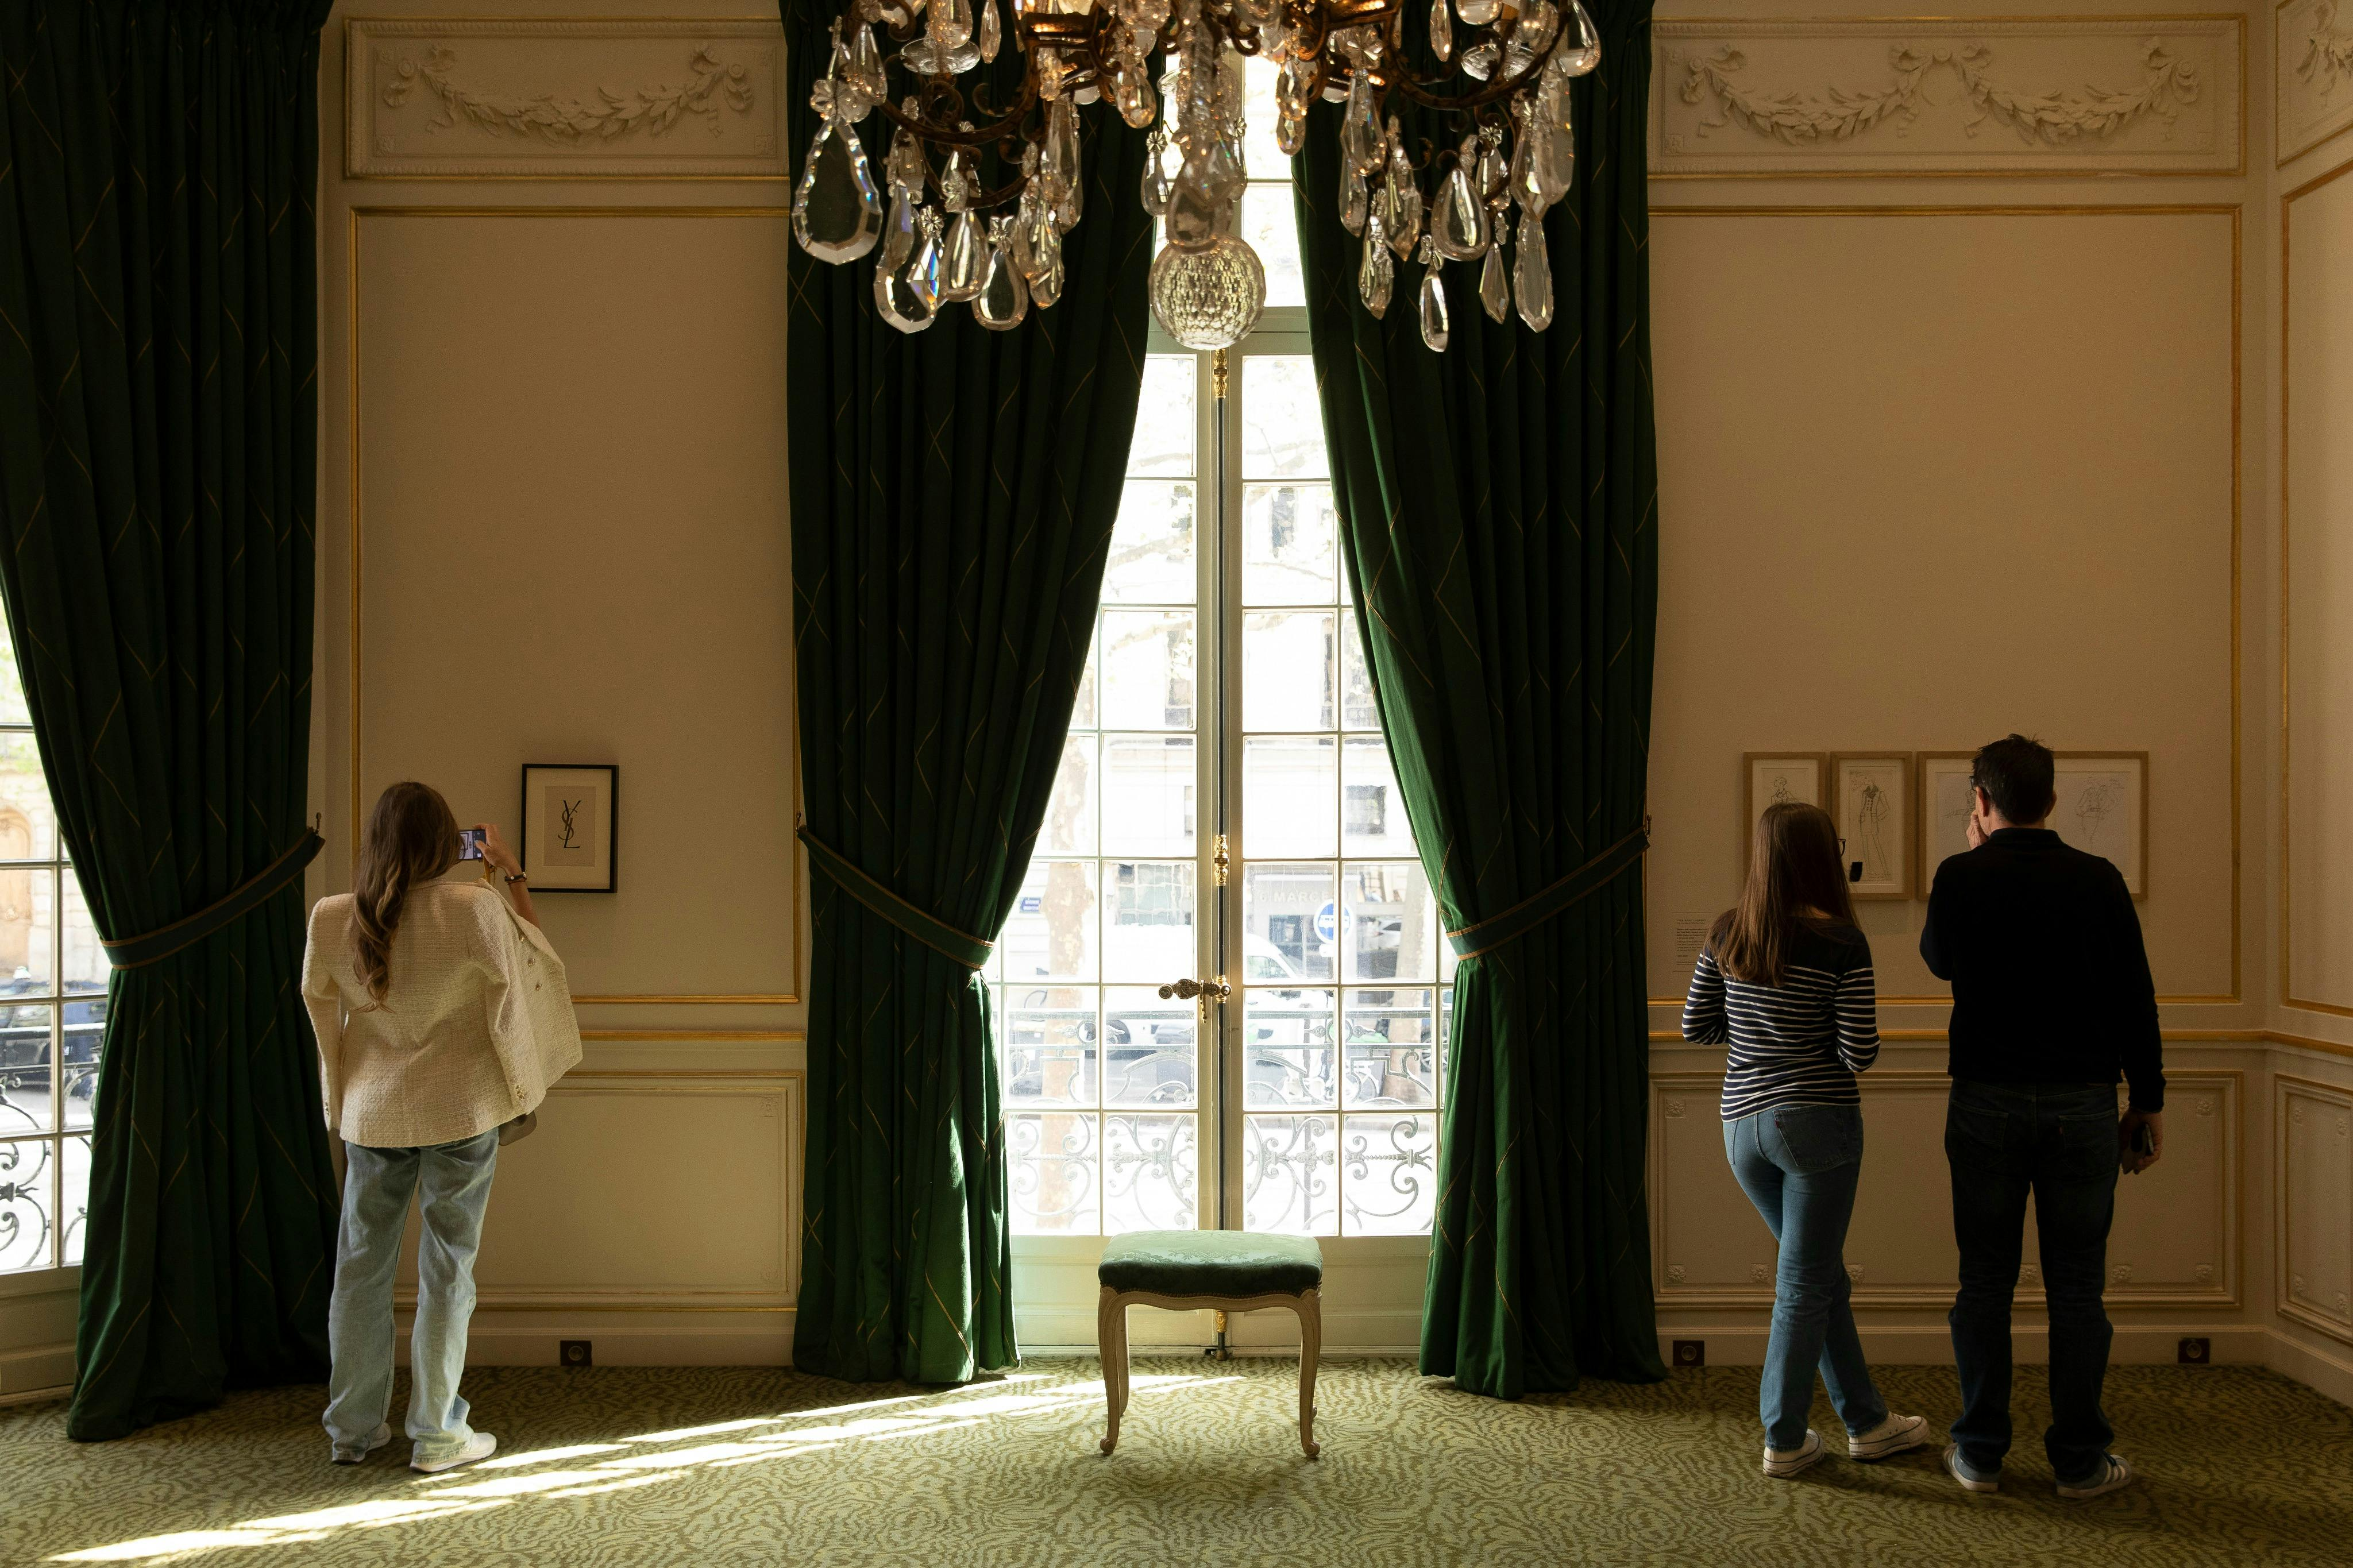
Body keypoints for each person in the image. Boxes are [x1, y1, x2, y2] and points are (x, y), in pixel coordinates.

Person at [301, 782, 581, 1473]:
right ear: (444, 842)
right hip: (460, 1110)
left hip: (372, 1114)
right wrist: (507, 873)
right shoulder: (472, 905)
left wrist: (337, 1090)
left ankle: (354, 1429)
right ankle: (435, 1434)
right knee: (447, 1267)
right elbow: (533, 965)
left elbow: (316, 1008)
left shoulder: (333, 916)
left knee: (360, 1272)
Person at [1921, 734, 2161, 1501]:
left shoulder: (1962, 874)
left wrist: (1973, 852)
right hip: (2082, 1102)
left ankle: (1981, 1453)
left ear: (1982, 802)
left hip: (1986, 1096)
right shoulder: (2099, 880)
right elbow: (2136, 997)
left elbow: (1939, 960)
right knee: (2078, 1290)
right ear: (2053, 800)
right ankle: (2080, 1460)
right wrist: (2147, 1099)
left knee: (1984, 1283)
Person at [1684, 802, 1931, 1478]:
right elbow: (1860, 1053)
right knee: (1803, 1284)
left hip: (1741, 1129)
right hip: (1815, 1125)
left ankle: (1867, 1422)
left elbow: (1694, 1027)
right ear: (1824, 856)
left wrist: (1758, 1039)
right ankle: (1784, 1438)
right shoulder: (1842, 943)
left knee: (1819, 1278)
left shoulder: (1727, 932)